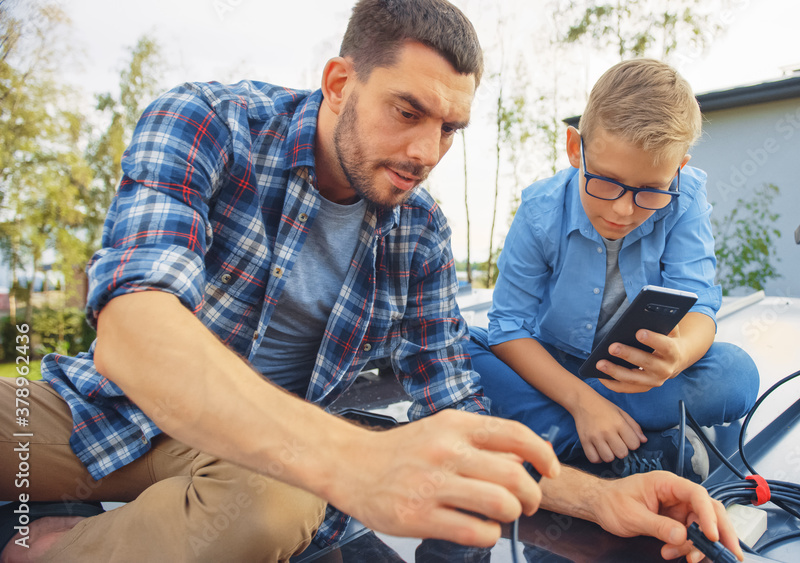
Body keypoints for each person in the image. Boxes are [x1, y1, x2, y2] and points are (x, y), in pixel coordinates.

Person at [0, 2, 743, 562]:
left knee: (280, 503)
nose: (425, 150)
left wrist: (603, 497)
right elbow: (134, 329)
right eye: (407, 110)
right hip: (100, 408)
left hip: (260, 466)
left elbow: (457, 404)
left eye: (449, 128)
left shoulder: (420, 234)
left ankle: (53, 546)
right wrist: (357, 460)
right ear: (337, 83)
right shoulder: (206, 123)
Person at [468, 59, 760, 482]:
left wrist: (677, 358)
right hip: (554, 366)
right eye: (605, 182)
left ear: (678, 170)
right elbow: (509, 328)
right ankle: (628, 441)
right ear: (575, 149)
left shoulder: (688, 196)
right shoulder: (539, 211)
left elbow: (700, 306)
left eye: (651, 192)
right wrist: (583, 401)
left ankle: (568, 438)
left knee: (736, 375)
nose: (623, 210)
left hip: (637, 375)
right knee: (458, 348)